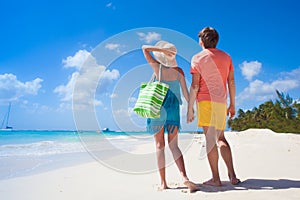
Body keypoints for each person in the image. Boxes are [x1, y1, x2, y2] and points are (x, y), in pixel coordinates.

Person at [187, 27, 240, 186]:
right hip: (221, 102)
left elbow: (195, 85)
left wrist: (190, 107)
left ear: (201, 41)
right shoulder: (226, 57)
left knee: (210, 140)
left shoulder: (197, 58)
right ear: (216, 41)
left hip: (204, 102)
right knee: (221, 138)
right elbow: (231, 82)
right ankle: (233, 175)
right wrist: (232, 104)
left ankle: (216, 179)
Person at [142, 40, 198, 192]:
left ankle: (163, 183)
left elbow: (144, 48)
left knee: (160, 146)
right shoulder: (179, 71)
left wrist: (159, 49)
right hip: (173, 109)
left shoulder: (157, 68)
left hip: (158, 109)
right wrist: (190, 109)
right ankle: (185, 177)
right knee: (174, 146)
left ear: (160, 56)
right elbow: (186, 93)